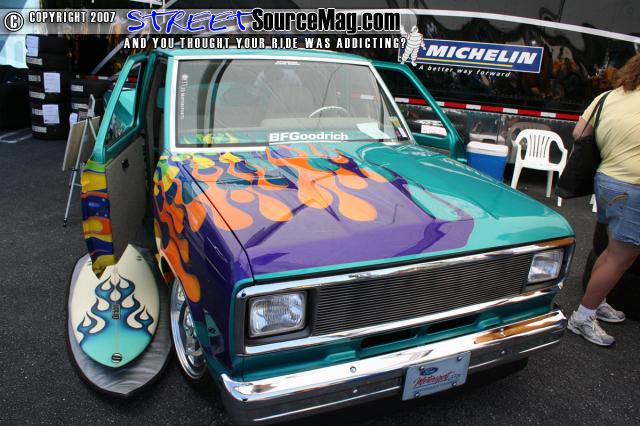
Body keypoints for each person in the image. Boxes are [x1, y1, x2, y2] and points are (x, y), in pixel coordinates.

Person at [568, 53, 640, 346]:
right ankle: (583, 317)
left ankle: (596, 303)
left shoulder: (608, 97)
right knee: (620, 258)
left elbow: (579, 132)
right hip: (633, 187)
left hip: (606, 180)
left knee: (610, 251)